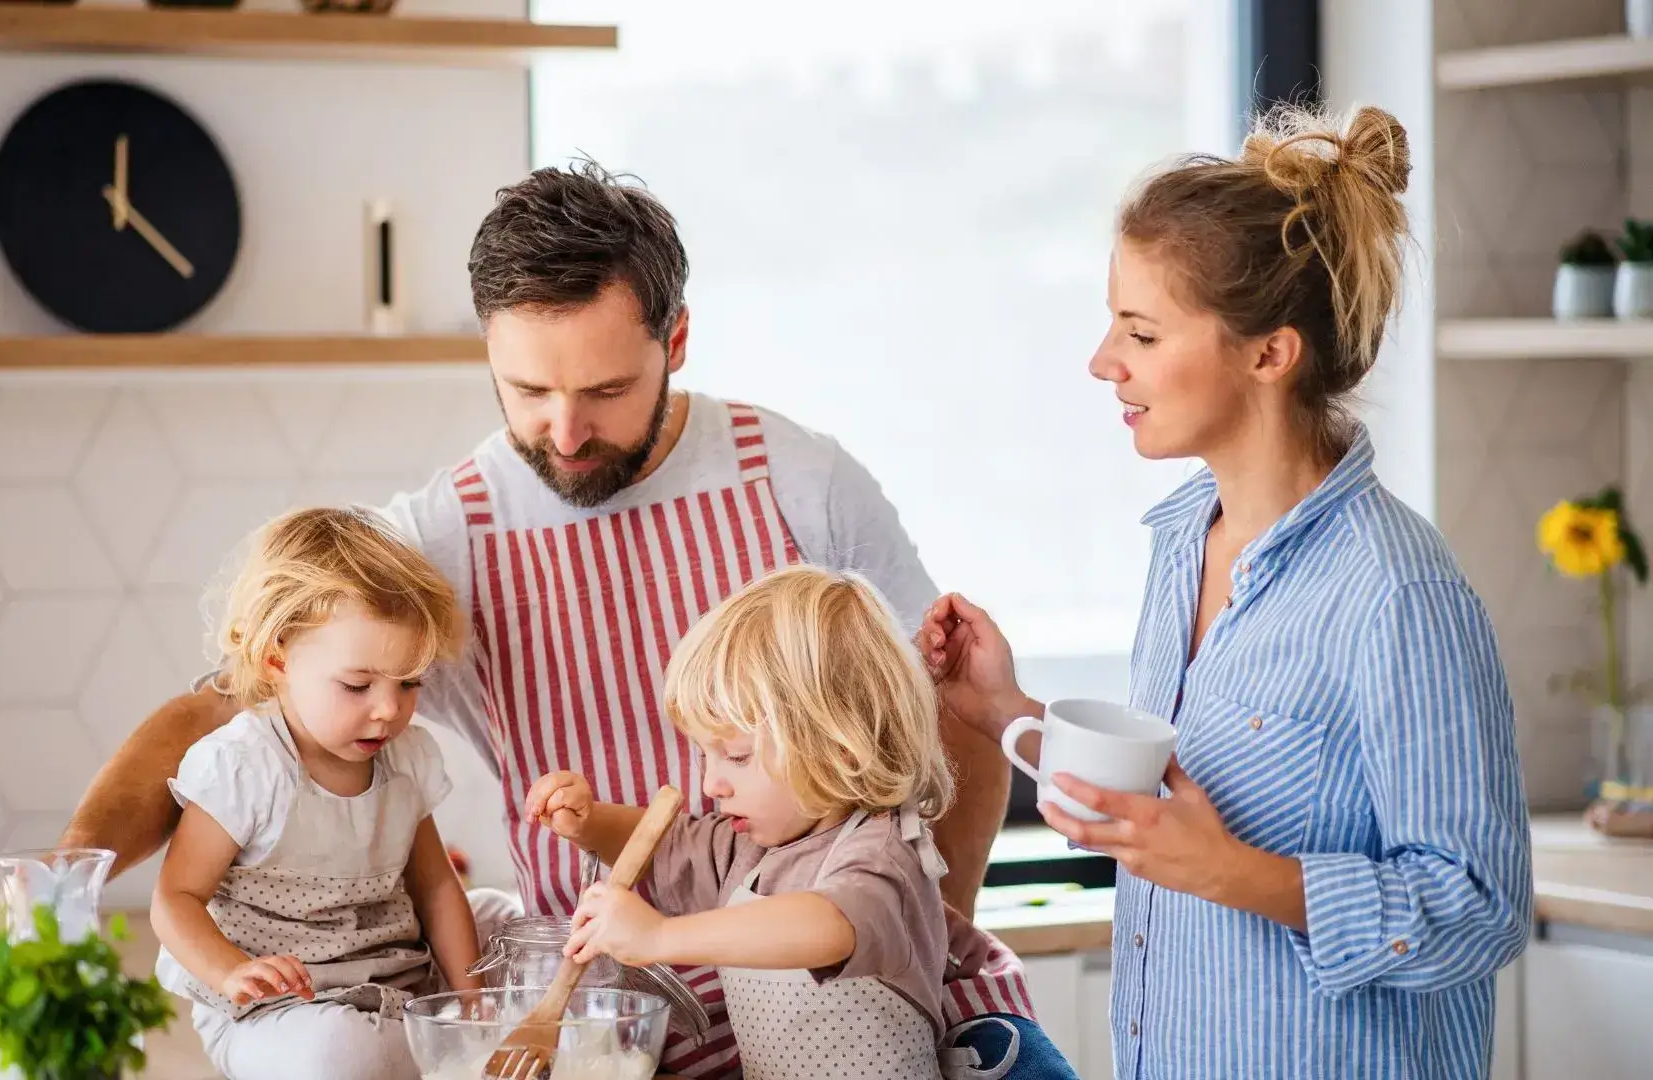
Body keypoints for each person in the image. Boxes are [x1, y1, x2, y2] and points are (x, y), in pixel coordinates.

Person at [60, 162, 1059, 1079]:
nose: (566, 431)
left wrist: (927, 927)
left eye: (607, 390)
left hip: (840, 996)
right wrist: (63, 883)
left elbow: (947, 711)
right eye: (528, 390)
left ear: (675, 340)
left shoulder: (795, 481)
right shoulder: (445, 534)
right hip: (602, 1022)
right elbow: (225, 716)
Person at [922, 104, 1533, 1080]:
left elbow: (1480, 911)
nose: (1102, 361)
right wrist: (1010, 711)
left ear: (1268, 353)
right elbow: (1174, 795)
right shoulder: (1180, 543)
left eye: (1142, 331)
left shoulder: (1395, 593)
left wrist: (1229, 872)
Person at [528, 566, 968, 1079]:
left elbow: (829, 924)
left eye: (736, 757)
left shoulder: (881, 854)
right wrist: (589, 822)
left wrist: (661, 937)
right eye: (704, 756)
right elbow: (661, 844)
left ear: (840, 748)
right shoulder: (753, 848)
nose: (712, 784)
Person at [149, 507, 480, 1080]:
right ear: (277, 658)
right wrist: (230, 972)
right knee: (340, 1053)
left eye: (409, 684)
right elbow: (174, 898)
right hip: (275, 1009)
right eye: (358, 685)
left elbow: (434, 886)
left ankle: (434, 1039)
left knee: (512, 922)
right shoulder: (247, 766)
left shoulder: (406, 758)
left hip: (389, 977)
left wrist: (475, 998)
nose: (388, 709)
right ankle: (422, 1052)